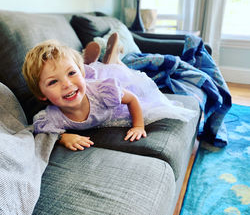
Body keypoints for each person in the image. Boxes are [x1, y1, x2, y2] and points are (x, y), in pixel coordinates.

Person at [22, 33, 197, 151]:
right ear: (42, 95)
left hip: (105, 84)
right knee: (94, 73)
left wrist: (138, 125)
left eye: (71, 73)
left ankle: (111, 60)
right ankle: (92, 62)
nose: (66, 84)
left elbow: (132, 99)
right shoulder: (52, 117)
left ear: (79, 73)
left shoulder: (102, 91)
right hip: (85, 82)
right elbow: (44, 130)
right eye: (53, 81)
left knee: (121, 73)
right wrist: (64, 137)